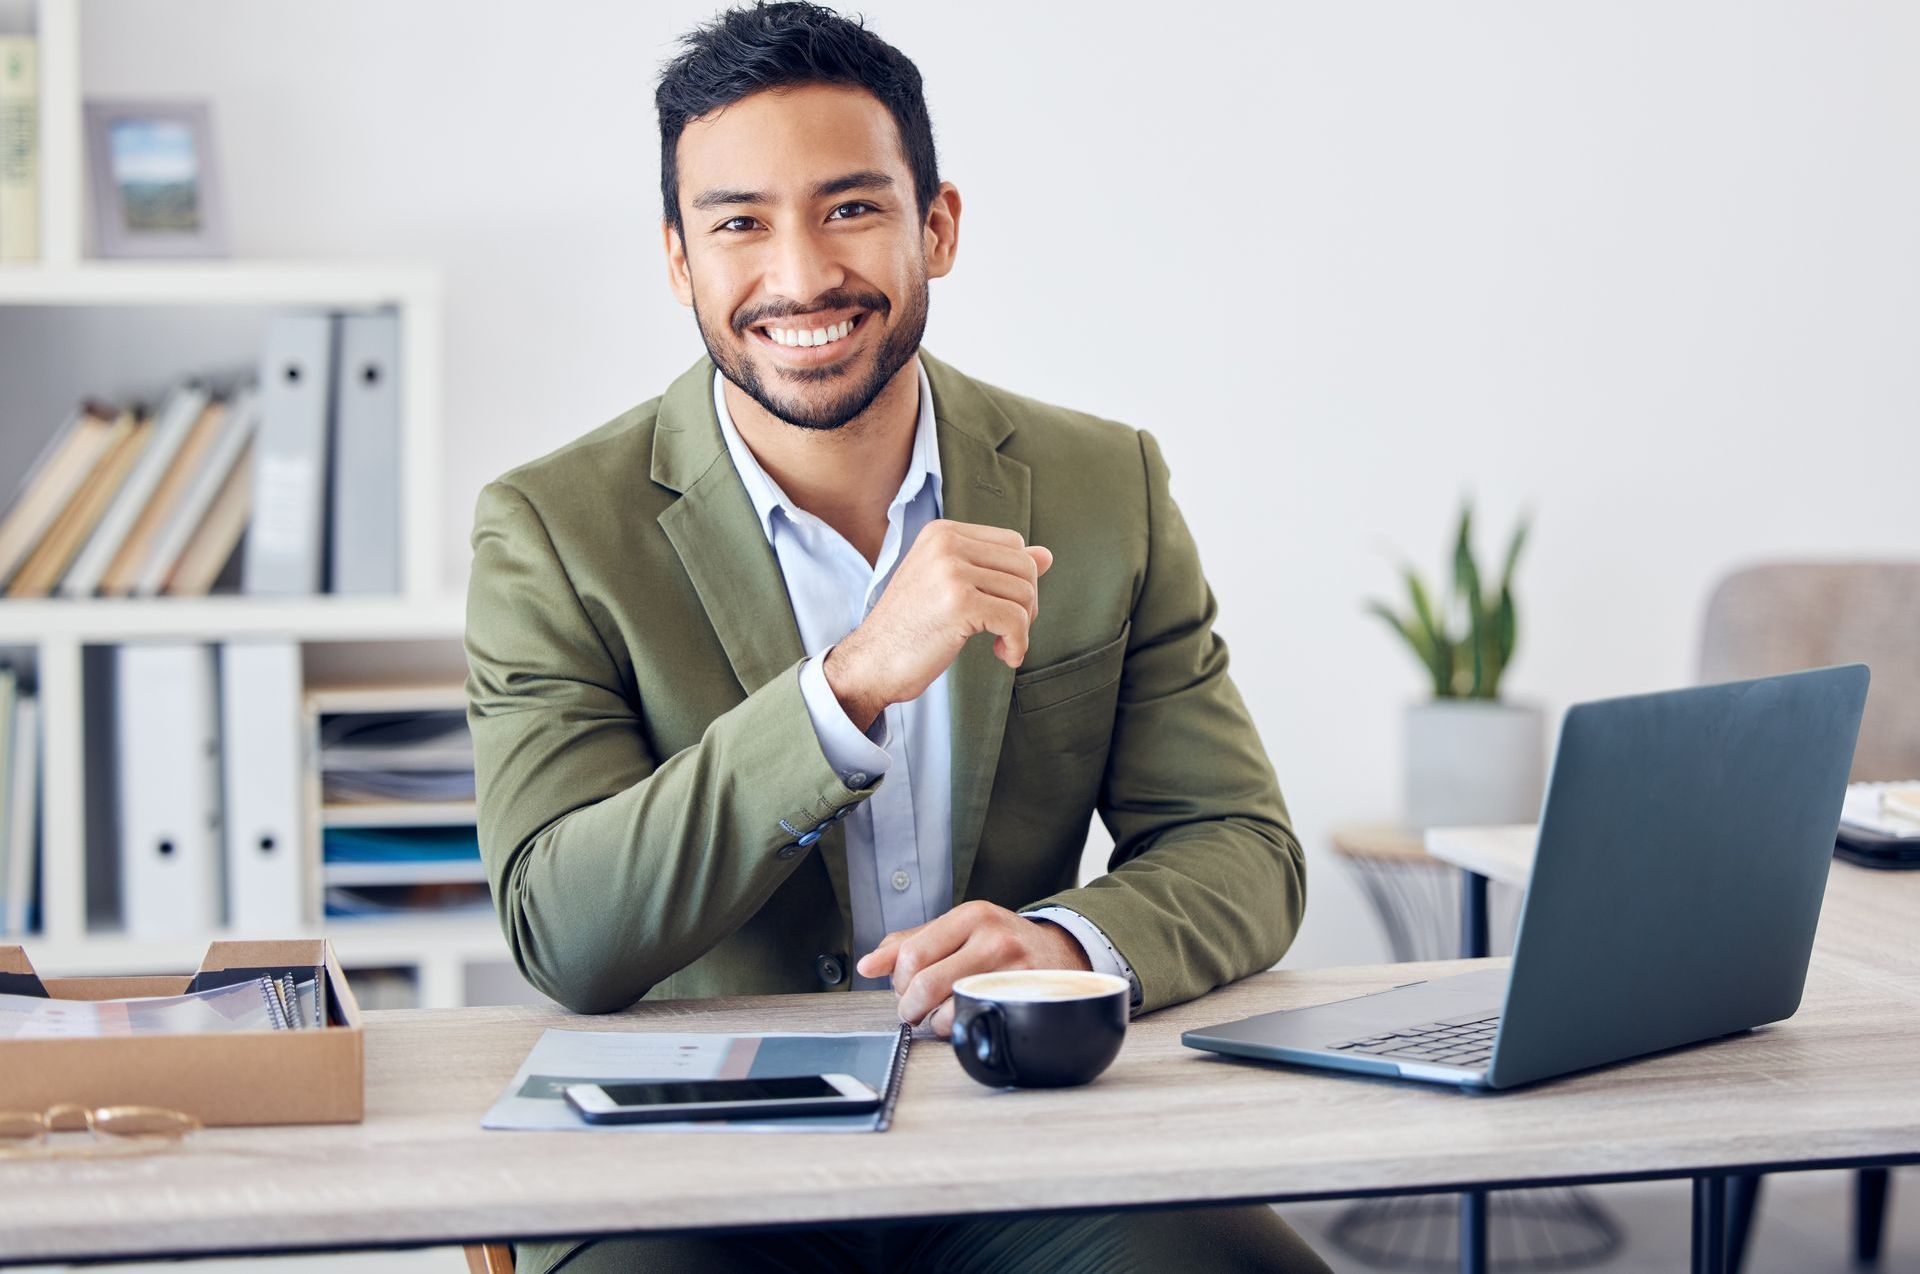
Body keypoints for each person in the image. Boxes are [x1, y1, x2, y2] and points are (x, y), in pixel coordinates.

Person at [464, 4, 1324, 1270]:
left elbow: (1241, 846)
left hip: (1023, 1146)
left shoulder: (1105, 486)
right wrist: (849, 684)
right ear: (678, 259)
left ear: (938, 225)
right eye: (739, 223)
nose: (801, 274)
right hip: (693, 1167)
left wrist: (1068, 943)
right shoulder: (550, 529)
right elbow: (564, 933)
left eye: (851, 208)